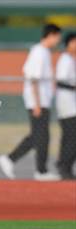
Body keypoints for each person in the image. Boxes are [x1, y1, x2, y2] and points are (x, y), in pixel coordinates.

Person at [0, 24, 61, 181]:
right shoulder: (39, 52)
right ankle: (39, 170)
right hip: (37, 101)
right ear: (51, 35)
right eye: (57, 37)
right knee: (41, 136)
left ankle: (13, 160)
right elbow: (32, 77)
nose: (58, 40)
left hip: (42, 100)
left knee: (39, 135)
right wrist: (37, 103)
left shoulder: (43, 52)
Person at [56, 32, 76, 180]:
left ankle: (63, 165)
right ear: (69, 43)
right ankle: (65, 168)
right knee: (71, 137)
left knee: (69, 137)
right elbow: (60, 81)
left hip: (72, 104)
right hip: (67, 105)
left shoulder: (72, 59)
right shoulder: (65, 59)